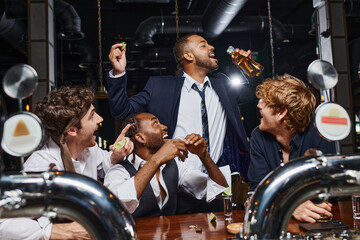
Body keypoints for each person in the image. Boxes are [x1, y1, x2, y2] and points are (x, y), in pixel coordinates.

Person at [107, 33, 261, 177]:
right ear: (188, 55)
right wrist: (118, 73)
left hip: (218, 178)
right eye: (203, 45)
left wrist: (246, 68)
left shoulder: (222, 85)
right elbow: (122, 111)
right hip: (175, 179)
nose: (211, 47)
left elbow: (255, 93)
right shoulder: (160, 87)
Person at [0, 85, 133, 240]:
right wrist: (52, 232)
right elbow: (3, 222)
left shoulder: (89, 149)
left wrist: (115, 156)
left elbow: (103, 163)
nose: (100, 119)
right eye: (92, 116)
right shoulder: (40, 165)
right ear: (72, 131)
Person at [104, 112, 230, 218]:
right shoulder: (119, 170)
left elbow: (220, 190)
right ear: (140, 138)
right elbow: (115, 209)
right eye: (155, 123)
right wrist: (156, 159)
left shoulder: (175, 165)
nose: (164, 127)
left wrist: (204, 155)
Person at [247, 74, 337, 223]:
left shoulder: (319, 135)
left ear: (281, 113)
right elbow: (257, 191)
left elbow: (324, 191)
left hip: (317, 224)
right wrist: (291, 206)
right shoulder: (258, 136)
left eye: (265, 102)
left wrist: (276, 200)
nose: (259, 105)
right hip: (274, 224)